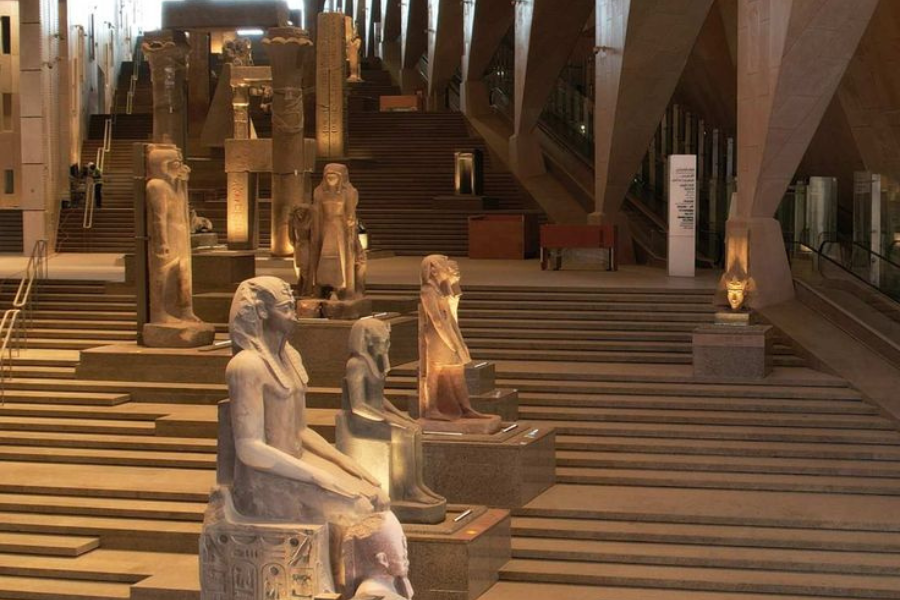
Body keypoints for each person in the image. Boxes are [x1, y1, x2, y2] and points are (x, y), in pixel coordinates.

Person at [226, 276, 389, 526]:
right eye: (285, 309)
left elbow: (300, 430)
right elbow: (250, 448)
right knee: (360, 509)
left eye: (292, 306)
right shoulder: (246, 365)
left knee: (378, 495)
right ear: (261, 311)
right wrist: (316, 476)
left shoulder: (291, 357)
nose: (294, 315)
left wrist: (343, 461)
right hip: (264, 477)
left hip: (297, 462)